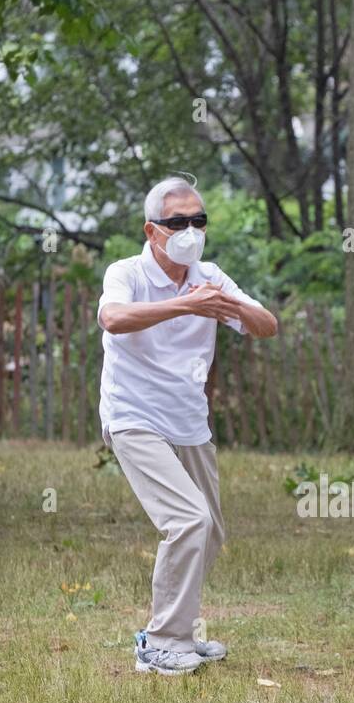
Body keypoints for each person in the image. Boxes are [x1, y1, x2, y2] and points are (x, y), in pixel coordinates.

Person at [97, 175, 277, 675]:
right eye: (178, 221)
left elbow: (267, 327)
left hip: (189, 421)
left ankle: (183, 634)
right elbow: (112, 319)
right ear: (152, 230)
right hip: (133, 416)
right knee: (187, 520)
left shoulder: (210, 274)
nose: (190, 229)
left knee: (211, 530)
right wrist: (186, 304)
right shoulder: (127, 272)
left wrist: (230, 305)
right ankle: (161, 642)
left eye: (199, 220)